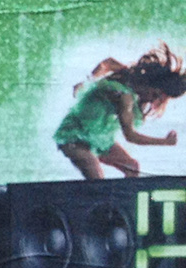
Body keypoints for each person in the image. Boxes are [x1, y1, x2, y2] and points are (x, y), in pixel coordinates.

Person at [54, 45, 186, 179]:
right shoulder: (125, 96)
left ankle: (126, 193)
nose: (152, 100)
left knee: (132, 166)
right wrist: (164, 142)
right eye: (154, 94)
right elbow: (130, 136)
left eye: (158, 99)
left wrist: (89, 80)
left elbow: (108, 63)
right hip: (74, 136)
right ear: (149, 84)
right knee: (96, 177)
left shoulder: (130, 81)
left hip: (100, 139)